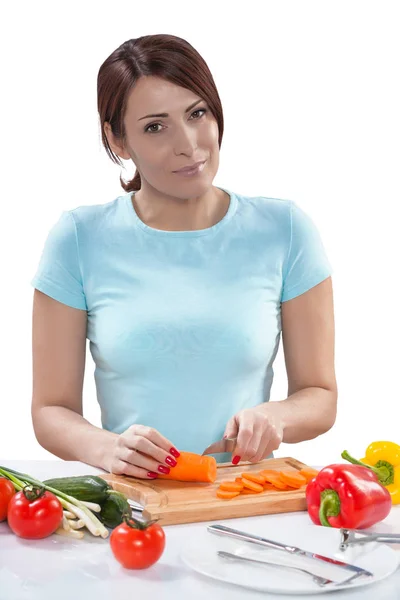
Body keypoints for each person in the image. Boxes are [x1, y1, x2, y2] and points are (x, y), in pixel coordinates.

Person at [31, 34, 337, 480]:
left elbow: (320, 395)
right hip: (136, 502)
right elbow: (50, 410)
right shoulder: (78, 238)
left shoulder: (284, 230)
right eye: (156, 127)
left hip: (245, 496)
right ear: (118, 140)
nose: (189, 144)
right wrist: (108, 448)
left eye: (197, 113)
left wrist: (276, 417)